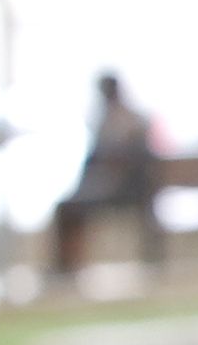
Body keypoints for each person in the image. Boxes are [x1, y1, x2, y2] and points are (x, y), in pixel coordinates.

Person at [48, 71, 161, 277]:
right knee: (66, 208)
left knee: (69, 208)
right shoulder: (109, 119)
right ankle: (67, 265)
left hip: (125, 191)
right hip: (117, 189)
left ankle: (67, 267)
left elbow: (124, 162)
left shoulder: (127, 121)